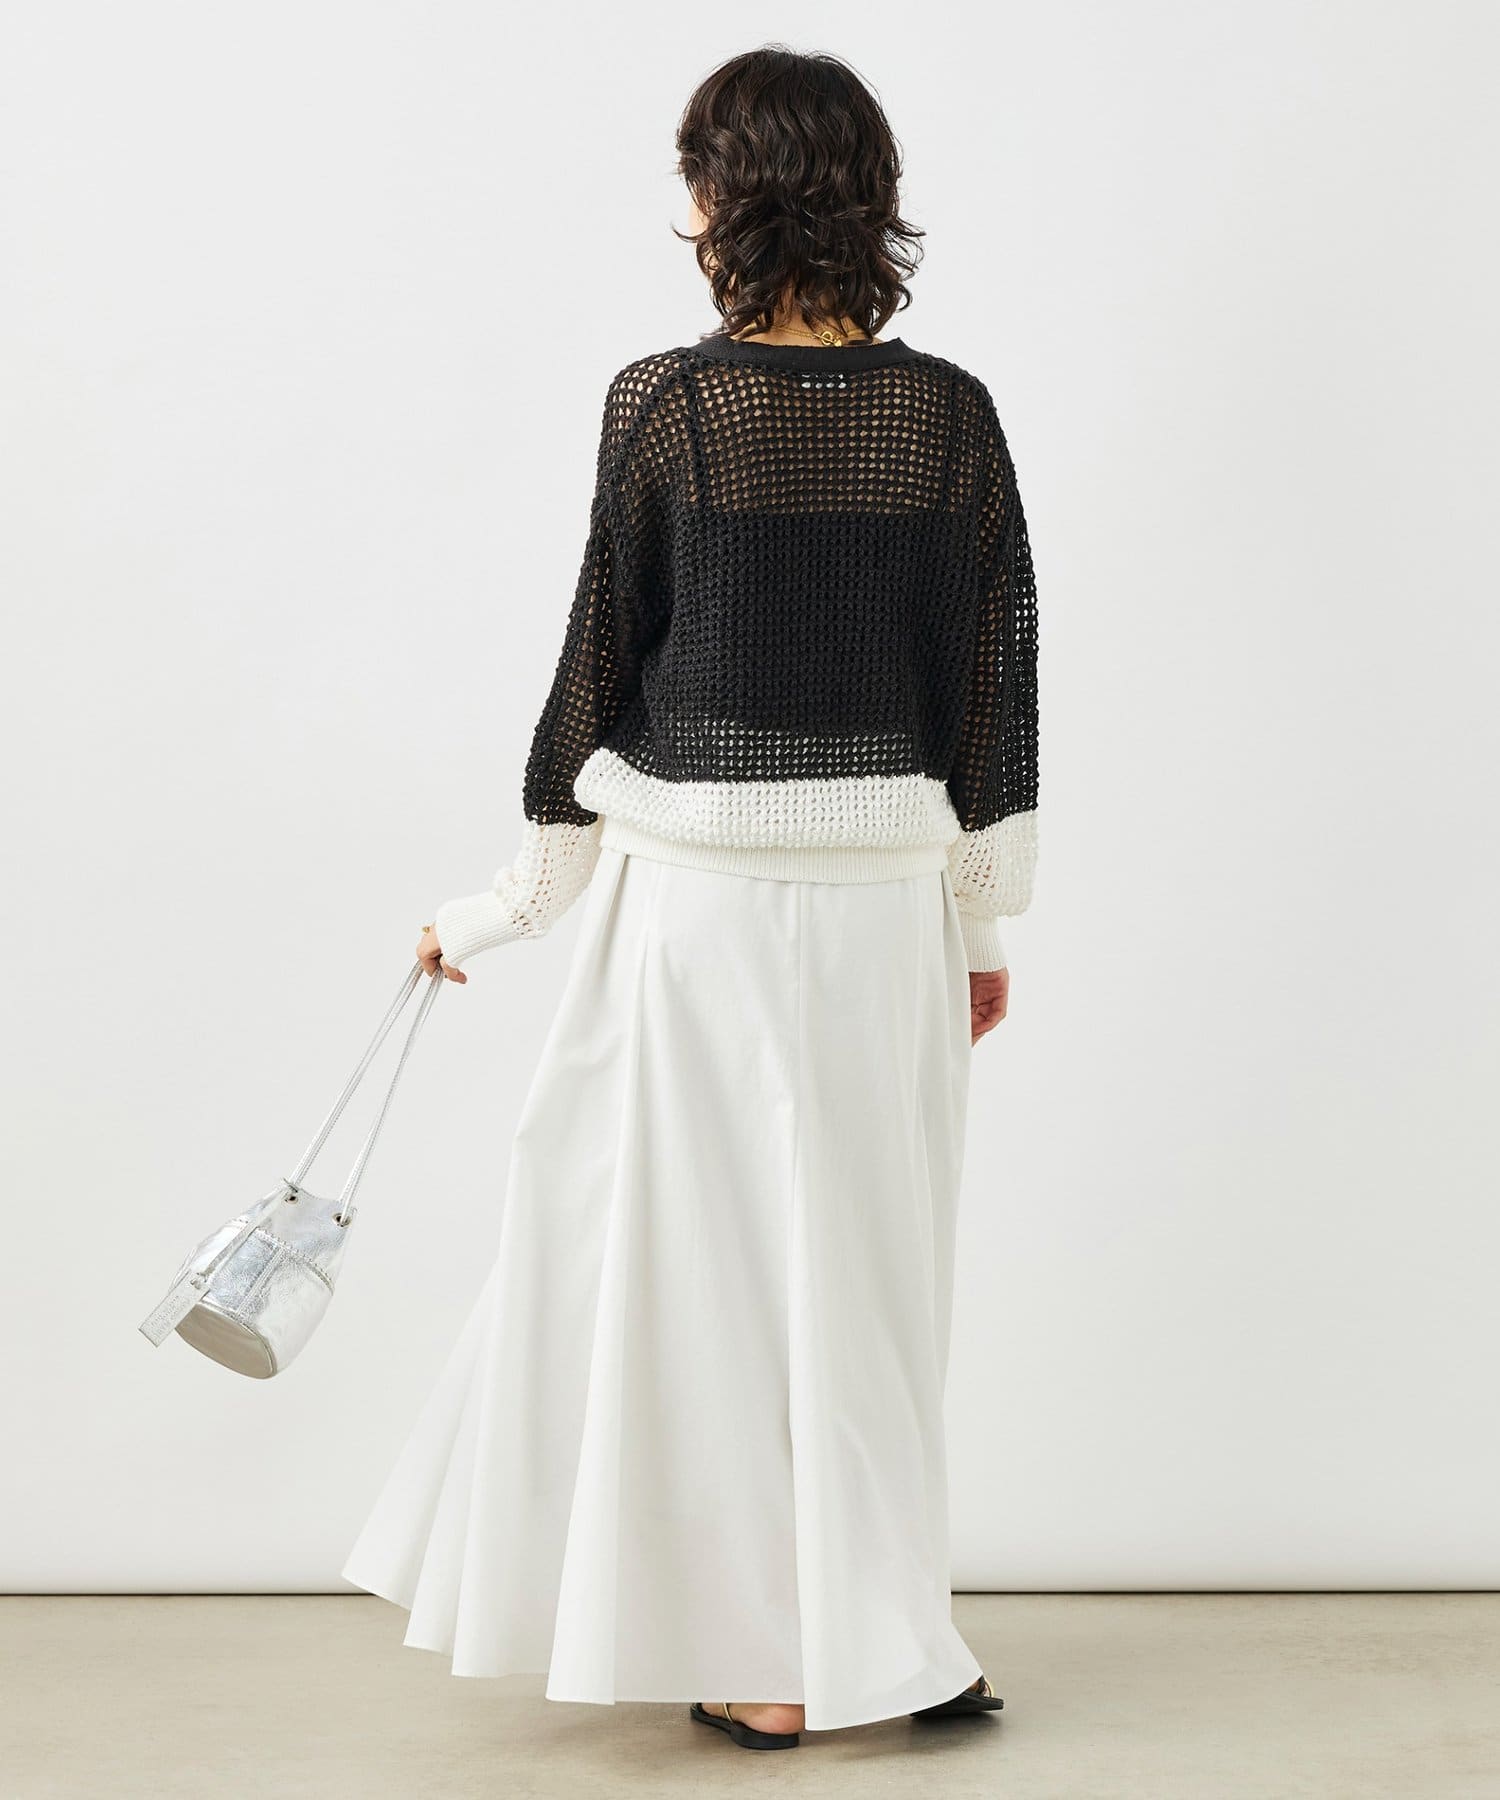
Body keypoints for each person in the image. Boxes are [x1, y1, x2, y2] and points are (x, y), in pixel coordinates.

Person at [340, 43, 1038, 1753]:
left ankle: (766, 1661)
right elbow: (990, 695)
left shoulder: (669, 404)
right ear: (866, 194)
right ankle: (889, 1636)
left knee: (693, 1283)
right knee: (873, 1286)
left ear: (730, 197)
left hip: (696, 918)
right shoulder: (948, 415)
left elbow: (601, 664)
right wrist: (976, 928)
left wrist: (504, 905)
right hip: (885, 918)